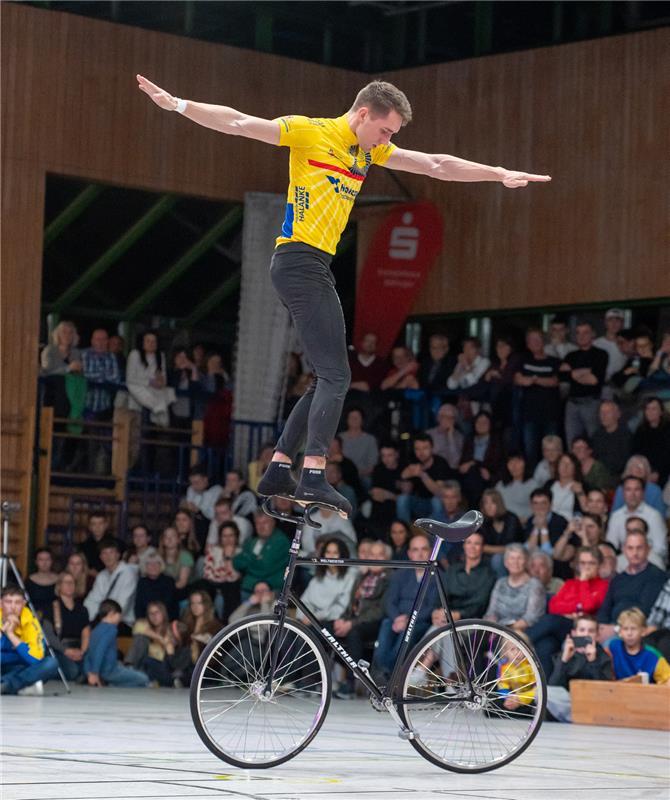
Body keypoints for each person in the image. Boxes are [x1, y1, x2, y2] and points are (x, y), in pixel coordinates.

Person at [139, 74, 552, 516]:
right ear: (362, 114)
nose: (388, 140)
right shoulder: (310, 131)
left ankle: (279, 467)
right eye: (385, 130)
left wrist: (498, 174)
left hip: (313, 266)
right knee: (338, 376)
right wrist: (179, 104)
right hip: (298, 261)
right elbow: (240, 122)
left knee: (326, 377)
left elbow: (435, 164)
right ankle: (314, 472)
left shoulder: (368, 151)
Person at [528, 545, 609, 675]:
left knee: (550, 620)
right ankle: (548, 689)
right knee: (546, 645)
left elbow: (588, 607)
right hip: (565, 627)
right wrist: (575, 608)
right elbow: (553, 606)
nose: (586, 567)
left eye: (591, 563)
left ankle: (521, 640)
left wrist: (583, 582)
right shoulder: (570, 583)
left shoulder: (603, 585)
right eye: (582, 563)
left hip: (584, 632)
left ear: (599, 565)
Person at [371, 533, 440, 681]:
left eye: (424, 549)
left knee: (406, 635)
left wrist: (409, 620)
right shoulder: (400, 574)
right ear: (409, 553)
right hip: (397, 619)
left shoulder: (437, 576)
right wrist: (397, 618)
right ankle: (383, 672)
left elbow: (433, 607)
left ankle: (388, 675)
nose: (420, 553)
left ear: (430, 552)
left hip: (421, 621)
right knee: (385, 626)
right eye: (415, 549)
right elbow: (389, 602)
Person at [331, 540, 391, 699]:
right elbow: (351, 604)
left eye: (380, 555)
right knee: (325, 630)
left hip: (375, 623)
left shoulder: (390, 578)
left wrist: (351, 623)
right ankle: (316, 680)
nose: (376, 558)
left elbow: (380, 609)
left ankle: (351, 683)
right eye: (372, 554)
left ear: (387, 558)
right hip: (354, 620)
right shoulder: (361, 577)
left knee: (353, 633)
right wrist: (342, 619)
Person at [596, 528, 667, 643]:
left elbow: (644, 611)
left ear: (648, 550)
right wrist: (601, 627)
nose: (635, 553)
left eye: (639, 548)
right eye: (630, 548)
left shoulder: (656, 576)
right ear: (624, 550)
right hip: (611, 629)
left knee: (610, 645)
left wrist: (616, 629)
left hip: (637, 631)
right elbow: (605, 609)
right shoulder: (618, 579)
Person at [546, 614, 614, 722]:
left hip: (593, 703)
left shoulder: (603, 656)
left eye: (590, 631)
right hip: (569, 702)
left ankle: (579, 717)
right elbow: (554, 686)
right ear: (574, 633)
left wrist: (593, 661)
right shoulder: (566, 654)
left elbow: (604, 692)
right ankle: (579, 717)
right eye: (582, 630)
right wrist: (564, 660)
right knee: (543, 693)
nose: (586, 634)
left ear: (597, 635)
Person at [515, 327, 561, 468]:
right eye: (532, 340)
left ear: (544, 342)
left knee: (553, 452)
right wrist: (540, 380)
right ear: (528, 344)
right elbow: (518, 380)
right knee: (530, 451)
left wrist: (534, 380)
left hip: (550, 414)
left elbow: (555, 381)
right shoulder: (523, 360)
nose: (535, 342)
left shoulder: (554, 361)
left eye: (538, 339)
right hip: (529, 415)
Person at [0, 585, 59, 695]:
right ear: (1, 603)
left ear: (24, 604)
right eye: (8, 602)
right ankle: (19, 687)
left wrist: (11, 634)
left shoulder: (31, 621)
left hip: (22, 669)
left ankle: (7, 685)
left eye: (17, 602)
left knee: (51, 663)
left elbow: (35, 660)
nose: (13, 607)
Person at [560, 321, 608, 446]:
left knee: (594, 441)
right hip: (572, 403)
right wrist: (583, 372)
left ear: (593, 334)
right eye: (578, 333)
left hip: (591, 403)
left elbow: (594, 380)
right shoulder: (571, 355)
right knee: (572, 442)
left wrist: (572, 373)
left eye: (585, 332)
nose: (581, 336)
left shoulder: (601, 354)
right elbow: (562, 376)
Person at [83, 600, 149, 687]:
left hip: (101, 669)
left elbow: (89, 653)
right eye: (119, 615)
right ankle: (112, 685)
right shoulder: (111, 629)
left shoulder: (95, 630)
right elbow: (100, 650)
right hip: (110, 670)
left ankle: (109, 682)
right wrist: (95, 672)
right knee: (144, 679)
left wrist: (89, 672)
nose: (120, 619)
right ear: (111, 614)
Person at [606, 476, 667, 569]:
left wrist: (640, 557)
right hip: (624, 560)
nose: (632, 494)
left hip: (649, 560)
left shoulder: (654, 515)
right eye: (628, 489)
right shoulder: (616, 516)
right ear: (623, 493)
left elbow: (661, 548)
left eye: (637, 489)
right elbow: (611, 545)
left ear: (643, 493)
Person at [484, 544, 545, 632]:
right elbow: (492, 612)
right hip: (498, 630)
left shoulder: (534, 585)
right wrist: (492, 629)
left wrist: (504, 632)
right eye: (512, 558)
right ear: (506, 563)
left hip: (522, 632)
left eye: (520, 558)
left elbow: (531, 618)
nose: (515, 562)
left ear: (526, 562)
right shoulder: (500, 583)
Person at [125, 601, 187, 687]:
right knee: (141, 638)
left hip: (161, 666)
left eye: (157, 612)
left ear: (163, 613)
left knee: (150, 661)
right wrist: (160, 639)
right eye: (151, 613)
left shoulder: (170, 630)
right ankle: (130, 667)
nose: (154, 616)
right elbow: (138, 628)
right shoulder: (145, 624)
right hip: (142, 664)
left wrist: (168, 643)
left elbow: (173, 649)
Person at [397, 432, 455, 523]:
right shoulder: (412, 461)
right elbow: (406, 492)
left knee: (436, 500)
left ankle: (437, 534)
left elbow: (439, 492)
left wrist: (422, 475)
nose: (421, 453)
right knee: (402, 499)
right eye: (417, 449)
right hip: (419, 503)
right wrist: (404, 477)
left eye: (425, 448)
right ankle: (404, 530)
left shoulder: (440, 462)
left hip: (437, 505)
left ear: (432, 448)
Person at [83, 538, 138, 632]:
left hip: (124, 622)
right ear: (100, 557)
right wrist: (85, 617)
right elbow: (93, 600)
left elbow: (122, 605)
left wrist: (103, 619)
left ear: (118, 555)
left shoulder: (128, 573)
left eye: (111, 552)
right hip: (103, 620)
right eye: (104, 553)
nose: (108, 556)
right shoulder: (102, 575)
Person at [298, 539, 358, 625]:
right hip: (309, 620)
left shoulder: (350, 577)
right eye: (328, 552)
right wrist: (304, 617)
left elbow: (339, 608)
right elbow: (305, 601)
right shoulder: (318, 576)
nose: (331, 556)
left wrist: (314, 618)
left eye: (335, 553)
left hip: (331, 622)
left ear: (342, 555)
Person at [233, 510, 291, 598]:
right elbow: (236, 562)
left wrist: (248, 560)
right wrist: (256, 559)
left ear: (273, 523)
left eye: (265, 522)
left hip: (273, 588)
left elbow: (265, 567)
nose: (261, 526)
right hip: (250, 587)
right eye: (258, 523)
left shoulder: (281, 541)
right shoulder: (252, 542)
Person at [44, 571, 91, 681]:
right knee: (72, 672)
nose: (70, 585)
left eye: (72, 583)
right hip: (60, 649)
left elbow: (86, 632)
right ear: (59, 586)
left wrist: (83, 651)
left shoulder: (82, 609)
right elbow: (49, 635)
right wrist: (66, 651)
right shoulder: (51, 607)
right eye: (66, 582)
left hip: (79, 648)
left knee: (90, 670)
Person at [125, 330, 176, 427]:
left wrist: (161, 381)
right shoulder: (135, 354)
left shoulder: (160, 356)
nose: (151, 344)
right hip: (139, 398)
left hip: (156, 393)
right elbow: (130, 378)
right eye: (148, 341)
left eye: (154, 341)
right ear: (143, 342)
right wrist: (150, 382)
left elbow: (163, 377)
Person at [194, 521, 242, 624]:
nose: (228, 539)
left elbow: (234, 577)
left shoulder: (240, 553)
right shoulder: (213, 551)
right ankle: (211, 622)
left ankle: (226, 626)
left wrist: (228, 557)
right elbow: (208, 574)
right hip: (213, 584)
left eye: (231, 535)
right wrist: (223, 577)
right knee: (202, 584)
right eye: (224, 536)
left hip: (231, 586)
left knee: (231, 587)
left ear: (236, 537)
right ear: (220, 538)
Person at [607, 607, 670, 684]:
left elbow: (667, 679)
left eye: (633, 629)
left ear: (643, 631)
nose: (629, 633)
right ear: (620, 632)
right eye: (625, 629)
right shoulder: (613, 647)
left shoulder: (653, 656)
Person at [523, 487, 575, 579]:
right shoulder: (530, 521)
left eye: (543, 503)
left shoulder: (560, 521)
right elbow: (529, 550)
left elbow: (549, 553)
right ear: (531, 506)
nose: (539, 507)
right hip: (534, 565)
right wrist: (536, 527)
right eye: (535, 503)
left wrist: (543, 528)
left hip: (557, 567)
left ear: (551, 505)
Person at [173, 590, 222, 679]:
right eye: (192, 603)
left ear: (206, 605)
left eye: (199, 603)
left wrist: (200, 639)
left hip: (206, 667)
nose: (195, 607)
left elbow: (217, 653)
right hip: (186, 663)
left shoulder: (215, 626)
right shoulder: (186, 624)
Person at [458, 411, 504, 505]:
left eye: (485, 422)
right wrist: (469, 464)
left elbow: (500, 465)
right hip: (471, 474)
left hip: (489, 476)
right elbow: (463, 463)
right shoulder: (469, 440)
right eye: (479, 422)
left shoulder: (497, 441)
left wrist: (491, 476)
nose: (481, 425)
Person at [478, 489, 523, 577]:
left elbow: (511, 547)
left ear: (499, 504)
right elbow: (480, 546)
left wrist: (487, 548)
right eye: (486, 503)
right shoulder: (483, 522)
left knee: (497, 559)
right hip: (489, 557)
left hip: (515, 555)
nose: (489, 506)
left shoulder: (511, 519)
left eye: (493, 503)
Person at [180, 464, 224, 548]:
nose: (194, 486)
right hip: (193, 522)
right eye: (192, 483)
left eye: (197, 482)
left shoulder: (216, 490)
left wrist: (198, 510)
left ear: (205, 479)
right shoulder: (191, 489)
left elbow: (213, 515)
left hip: (208, 524)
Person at [366, 442, 404, 535]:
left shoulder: (403, 468)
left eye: (389, 455)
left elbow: (406, 494)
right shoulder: (378, 469)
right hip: (380, 506)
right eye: (383, 456)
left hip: (398, 507)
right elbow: (375, 494)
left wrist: (388, 495)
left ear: (397, 454)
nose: (386, 459)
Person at [632, 399, 670, 488]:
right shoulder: (640, 430)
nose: (650, 412)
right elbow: (636, 453)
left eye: (654, 409)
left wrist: (658, 472)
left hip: (665, 472)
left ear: (661, 411)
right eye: (647, 409)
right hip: (644, 472)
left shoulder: (668, 429)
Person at [133, 552, 179, 621]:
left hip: (166, 618)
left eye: (156, 563)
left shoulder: (169, 581)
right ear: (145, 567)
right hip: (146, 619)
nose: (153, 566)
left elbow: (172, 605)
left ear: (161, 566)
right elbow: (138, 605)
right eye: (149, 564)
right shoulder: (142, 582)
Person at [592, 400, 632, 477]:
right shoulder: (597, 435)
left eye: (607, 412)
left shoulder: (626, 435)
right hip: (600, 475)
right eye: (601, 412)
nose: (603, 415)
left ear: (617, 414)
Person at [339, 407, 379, 485]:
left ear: (362, 420)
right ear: (347, 420)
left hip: (362, 477)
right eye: (351, 417)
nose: (354, 420)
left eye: (357, 417)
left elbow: (373, 464)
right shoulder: (340, 438)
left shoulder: (370, 440)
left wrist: (357, 474)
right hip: (341, 477)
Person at [494, 452, 537, 523]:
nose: (514, 465)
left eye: (518, 461)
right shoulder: (500, 485)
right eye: (510, 462)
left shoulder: (533, 485)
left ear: (525, 463)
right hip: (503, 524)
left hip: (524, 524)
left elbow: (537, 508)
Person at [426, 402, 464, 470]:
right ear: (438, 418)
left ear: (455, 420)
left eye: (451, 418)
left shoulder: (459, 437)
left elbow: (455, 463)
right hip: (432, 470)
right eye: (443, 416)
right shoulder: (429, 434)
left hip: (450, 472)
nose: (447, 420)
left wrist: (451, 437)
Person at [546, 453, 584, 520]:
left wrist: (580, 493)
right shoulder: (549, 484)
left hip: (571, 524)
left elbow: (585, 509)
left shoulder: (583, 486)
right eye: (562, 463)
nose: (565, 467)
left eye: (569, 464)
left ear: (575, 467)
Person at [593, 308, 628, 381]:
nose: (614, 323)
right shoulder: (595, 344)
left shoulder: (628, 344)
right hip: (599, 386)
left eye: (617, 320)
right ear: (605, 323)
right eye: (610, 320)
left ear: (622, 323)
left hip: (620, 386)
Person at [158, 525, 194, 594]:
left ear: (178, 540)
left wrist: (165, 590)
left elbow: (182, 583)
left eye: (173, 536)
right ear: (162, 541)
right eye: (166, 536)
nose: (169, 539)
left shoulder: (185, 556)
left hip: (180, 591)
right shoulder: (157, 556)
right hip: (161, 590)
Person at [25, 547, 59, 616]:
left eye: (47, 559)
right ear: (36, 562)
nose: (44, 562)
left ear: (52, 561)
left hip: (56, 617)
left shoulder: (59, 580)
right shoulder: (28, 581)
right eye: (41, 559)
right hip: (34, 617)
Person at [79, 511, 115, 576]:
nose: (97, 527)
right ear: (89, 527)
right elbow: (81, 564)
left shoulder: (116, 544)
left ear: (106, 525)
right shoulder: (83, 546)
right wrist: (89, 571)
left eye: (100, 523)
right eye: (94, 524)